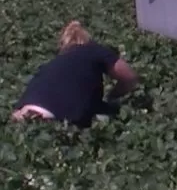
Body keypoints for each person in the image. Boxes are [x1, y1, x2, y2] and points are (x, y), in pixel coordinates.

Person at [10, 21, 139, 128]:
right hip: (54, 117)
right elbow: (130, 77)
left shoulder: (55, 62)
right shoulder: (94, 50)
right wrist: (113, 95)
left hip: (21, 112)